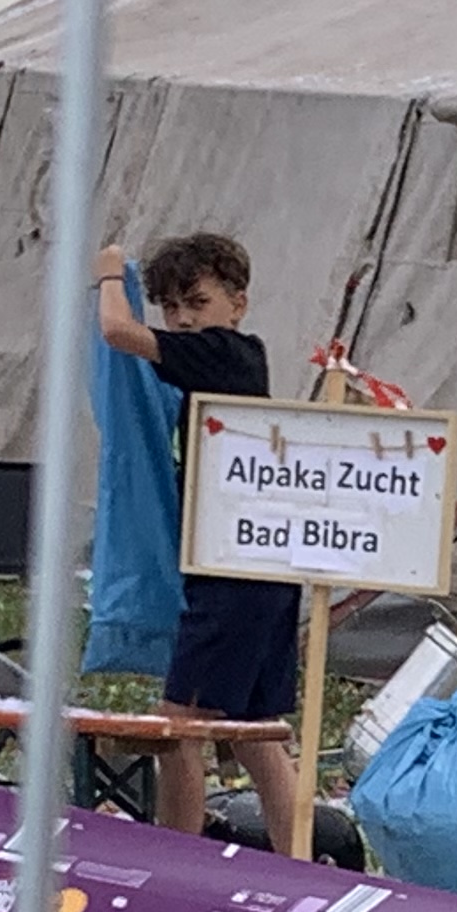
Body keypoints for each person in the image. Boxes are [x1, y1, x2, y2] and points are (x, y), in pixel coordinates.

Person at [99, 230, 307, 841]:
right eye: (171, 308)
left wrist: (108, 275)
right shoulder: (230, 360)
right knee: (253, 732)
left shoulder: (222, 353)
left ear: (237, 305)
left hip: (232, 572)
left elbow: (117, 331)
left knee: (179, 726)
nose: (184, 320)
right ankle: (297, 859)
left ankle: (174, 854)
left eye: (198, 303)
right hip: (260, 564)